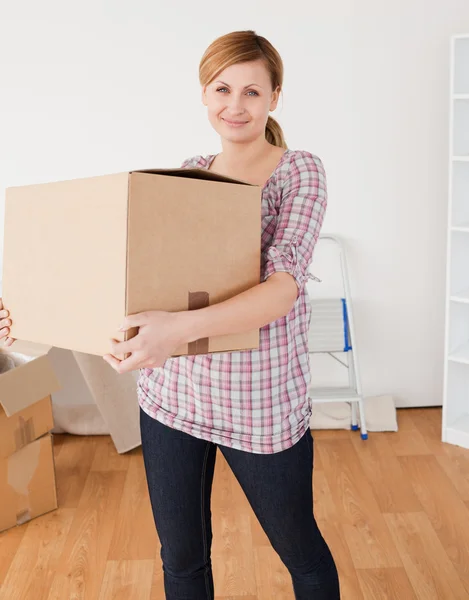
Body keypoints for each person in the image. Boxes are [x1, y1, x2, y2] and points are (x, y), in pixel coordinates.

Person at [0, 29, 340, 600]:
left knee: (301, 552)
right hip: (172, 398)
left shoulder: (298, 171)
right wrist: (29, 312)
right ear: (204, 95)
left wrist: (174, 330)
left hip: (258, 404)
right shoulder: (189, 168)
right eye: (222, 89)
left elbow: (282, 290)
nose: (235, 105)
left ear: (275, 97)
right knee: (181, 561)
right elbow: (144, 281)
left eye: (252, 92)